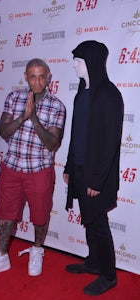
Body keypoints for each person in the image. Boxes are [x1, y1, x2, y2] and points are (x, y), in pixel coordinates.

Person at [0, 58, 66, 279]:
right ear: (26, 76)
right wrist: (22, 117)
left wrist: (33, 118)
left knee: (40, 215)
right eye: (32, 76)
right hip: (12, 167)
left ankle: (36, 250)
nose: (37, 81)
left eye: (41, 76)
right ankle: (1, 257)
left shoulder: (57, 106)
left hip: (40, 169)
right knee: (6, 214)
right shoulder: (13, 97)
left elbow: (53, 144)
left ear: (49, 78)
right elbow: (4, 132)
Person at [63, 41, 124, 296]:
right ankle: (93, 262)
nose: (74, 64)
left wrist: (97, 181)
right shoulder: (81, 93)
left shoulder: (109, 95)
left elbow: (110, 144)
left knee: (99, 223)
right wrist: (68, 165)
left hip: (97, 176)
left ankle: (109, 275)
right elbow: (76, 133)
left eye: (79, 60)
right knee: (90, 222)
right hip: (79, 170)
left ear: (93, 62)